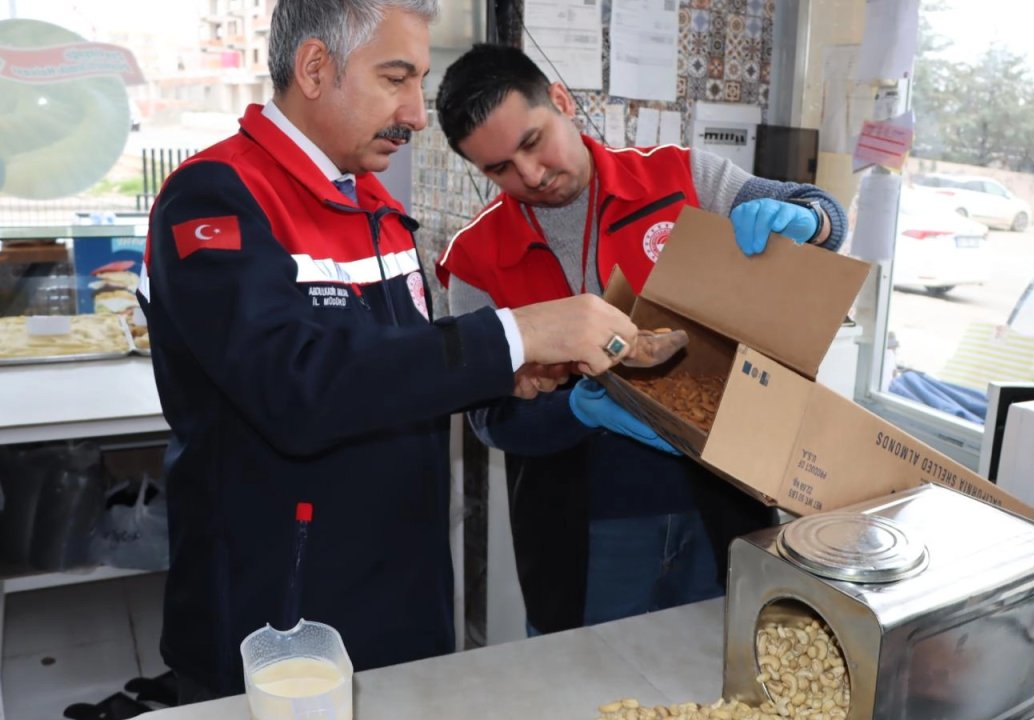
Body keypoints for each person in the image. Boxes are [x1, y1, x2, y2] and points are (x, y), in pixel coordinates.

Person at [139, 1, 641, 701]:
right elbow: (296, 391)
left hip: (401, 597)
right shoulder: (217, 199)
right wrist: (517, 332)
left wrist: (506, 373)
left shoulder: (374, 207)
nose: (414, 112)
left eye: (418, 81)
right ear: (315, 68)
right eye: (395, 79)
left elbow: (392, 368)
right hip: (284, 613)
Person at [433, 44, 849, 635]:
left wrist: (812, 220)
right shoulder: (474, 259)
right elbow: (489, 421)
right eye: (498, 168)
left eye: (532, 142)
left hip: (719, 503)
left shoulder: (680, 178)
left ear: (559, 101)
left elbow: (818, 213)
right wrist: (577, 408)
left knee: (720, 666)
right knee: (591, 683)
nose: (530, 175)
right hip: (586, 527)